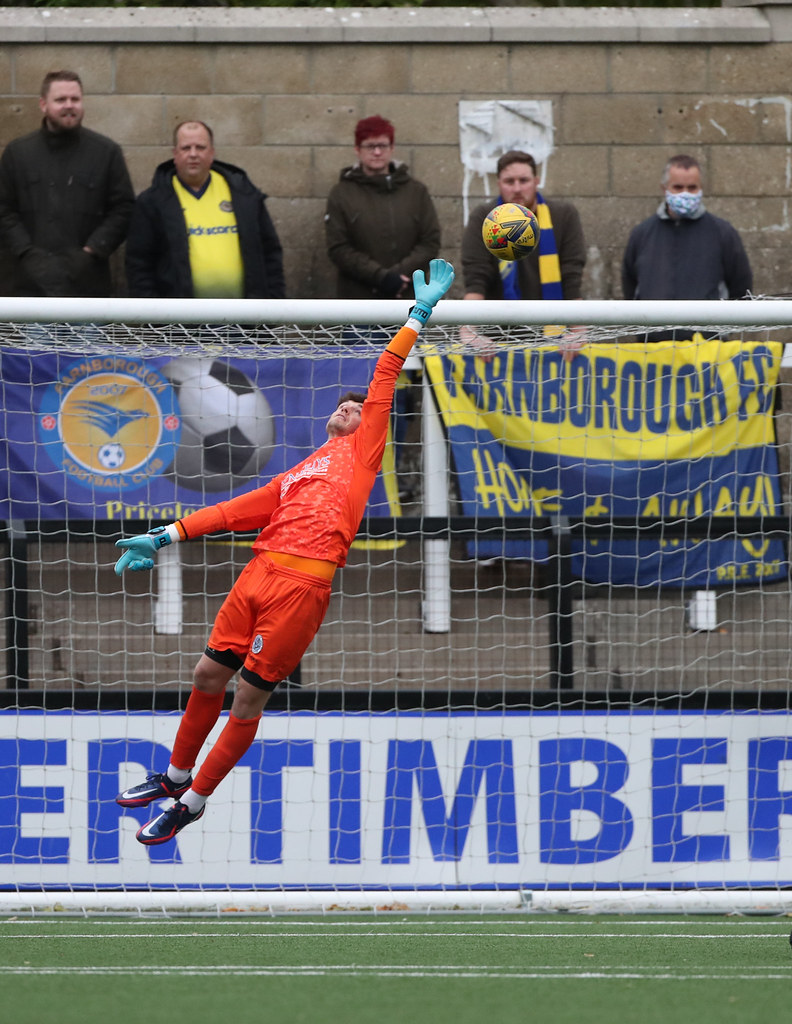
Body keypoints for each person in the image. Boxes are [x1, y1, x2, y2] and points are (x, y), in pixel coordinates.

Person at [114, 259, 455, 845]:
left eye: (358, 407)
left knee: (247, 697)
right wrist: (165, 535)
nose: (351, 408)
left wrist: (416, 318)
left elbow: (383, 376)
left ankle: (192, 804)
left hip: (301, 587)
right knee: (205, 674)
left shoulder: (364, 454)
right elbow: (234, 510)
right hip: (258, 573)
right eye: (344, 406)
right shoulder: (303, 470)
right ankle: (173, 777)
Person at [0, 69, 134, 297]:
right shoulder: (18, 153)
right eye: (60, 100)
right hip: (30, 293)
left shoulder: (106, 153)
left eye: (75, 99)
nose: (69, 105)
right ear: (43, 104)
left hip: (88, 292)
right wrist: (27, 253)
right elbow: (4, 209)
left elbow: (123, 209)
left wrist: (90, 251)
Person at [125, 120, 285, 299]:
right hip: (180, 322)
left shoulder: (244, 194)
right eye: (186, 148)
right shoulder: (152, 202)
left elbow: (270, 253)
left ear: (212, 153)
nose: (193, 154)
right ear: (175, 154)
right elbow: (139, 264)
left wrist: (273, 305)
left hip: (242, 319)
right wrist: (153, 315)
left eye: (200, 147)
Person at [324, 114, 441, 300]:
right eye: (370, 146)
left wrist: (399, 276)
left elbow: (430, 242)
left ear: (392, 148)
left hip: (410, 301)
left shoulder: (416, 192)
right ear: (357, 149)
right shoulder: (341, 194)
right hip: (359, 304)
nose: (377, 152)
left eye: (383, 146)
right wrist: (381, 277)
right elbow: (339, 248)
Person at [621, 153, 752, 301]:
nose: (685, 193)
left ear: (700, 188)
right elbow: (630, 284)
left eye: (692, 188)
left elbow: (741, 287)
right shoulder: (642, 234)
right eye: (678, 187)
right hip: (655, 324)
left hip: (706, 323)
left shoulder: (723, 233)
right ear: (664, 189)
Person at [461, 150, 586, 304]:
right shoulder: (483, 217)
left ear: (536, 182)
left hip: (551, 320)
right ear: (499, 184)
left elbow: (571, 278)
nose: (517, 189)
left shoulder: (564, 216)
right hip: (497, 323)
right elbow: (476, 278)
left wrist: (578, 327)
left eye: (524, 180)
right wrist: (468, 327)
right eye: (509, 181)